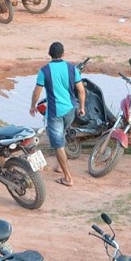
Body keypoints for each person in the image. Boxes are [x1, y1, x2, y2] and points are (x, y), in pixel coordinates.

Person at [30, 41, 84, 187]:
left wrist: (33, 106)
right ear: (63, 54)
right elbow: (81, 90)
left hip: (55, 113)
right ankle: (60, 166)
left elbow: (36, 92)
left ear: (49, 54)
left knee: (58, 144)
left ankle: (68, 178)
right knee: (62, 135)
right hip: (70, 110)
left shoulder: (44, 71)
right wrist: (82, 107)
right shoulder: (72, 68)